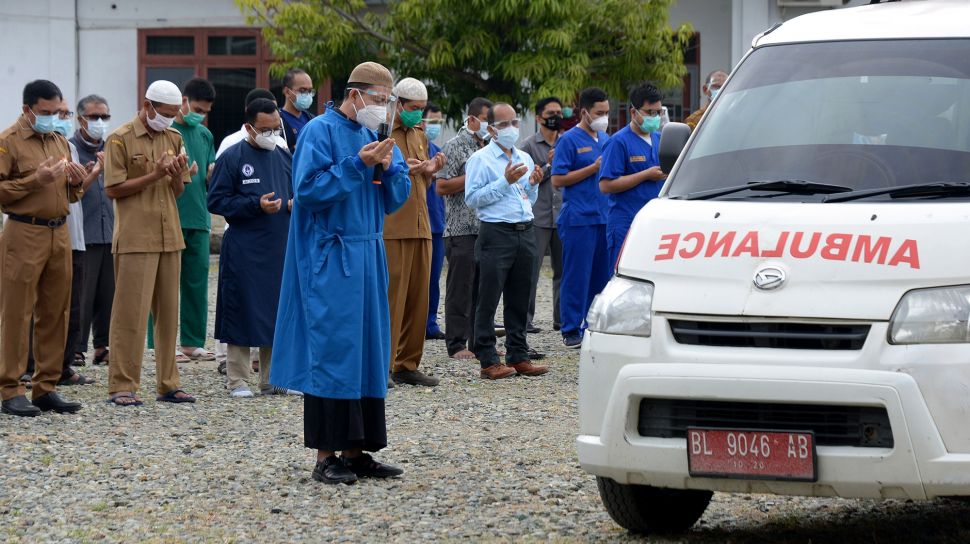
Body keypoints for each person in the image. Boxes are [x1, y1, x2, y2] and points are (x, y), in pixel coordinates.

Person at [269, 61, 408, 485]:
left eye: (389, 104)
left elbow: (395, 197)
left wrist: (386, 170)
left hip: (368, 251)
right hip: (331, 255)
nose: (384, 111)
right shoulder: (319, 131)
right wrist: (356, 166)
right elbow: (308, 191)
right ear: (355, 96)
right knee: (333, 349)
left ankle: (358, 450)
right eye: (380, 101)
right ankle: (325, 454)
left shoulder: (377, 136)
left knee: (367, 349)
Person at [103, 80, 194, 407]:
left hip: (170, 235)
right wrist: (155, 174)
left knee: (169, 315)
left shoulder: (175, 137)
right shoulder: (120, 138)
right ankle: (122, 385)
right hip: (135, 237)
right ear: (148, 106)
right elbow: (113, 189)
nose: (170, 119)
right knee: (130, 314)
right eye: (165, 113)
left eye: (174, 114)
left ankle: (168, 384)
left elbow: (178, 190)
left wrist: (173, 175)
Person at [0, 80, 85, 416]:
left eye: (57, 111)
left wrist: (76, 182)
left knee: (55, 311)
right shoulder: (9, 142)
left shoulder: (58, 140)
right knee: (17, 312)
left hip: (59, 232)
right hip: (24, 231)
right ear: (27, 109)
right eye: (46, 112)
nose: (52, 118)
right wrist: (36, 180)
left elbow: (68, 194)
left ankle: (46, 386)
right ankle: (10, 388)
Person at [207, 98, 298, 398]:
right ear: (249, 127)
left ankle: (273, 379)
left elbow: (294, 192)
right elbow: (216, 201)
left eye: (276, 129)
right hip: (244, 247)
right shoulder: (232, 157)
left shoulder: (284, 156)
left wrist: (291, 204)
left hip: (278, 246)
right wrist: (254, 205)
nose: (272, 135)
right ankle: (238, 380)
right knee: (242, 309)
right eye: (265, 130)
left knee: (275, 309)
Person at [465, 103, 549, 380]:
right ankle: (488, 359)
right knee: (487, 298)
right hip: (496, 232)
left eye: (514, 122)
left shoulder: (522, 156)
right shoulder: (481, 159)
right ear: (490, 129)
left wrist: (534, 183)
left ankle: (518, 354)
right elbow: (473, 199)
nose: (511, 129)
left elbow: (526, 199)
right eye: (503, 125)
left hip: (524, 230)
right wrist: (504, 181)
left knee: (520, 297)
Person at [385, 78, 446, 387]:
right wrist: (406, 169)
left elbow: (425, 179)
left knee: (419, 298)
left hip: (423, 222)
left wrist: (431, 168)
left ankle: (407, 363)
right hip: (393, 225)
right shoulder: (382, 132)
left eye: (422, 110)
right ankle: (382, 365)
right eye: (413, 109)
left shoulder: (420, 134)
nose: (419, 116)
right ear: (398, 104)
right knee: (392, 299)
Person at [151, 78, 217, 363]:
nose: (200, 115)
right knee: (165, 284)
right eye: (197, 108)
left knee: (196, 282)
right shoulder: (166, 131)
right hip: (169, 216)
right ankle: (159, 345)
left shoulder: (204, 135)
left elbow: (207, 173)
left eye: (205, 111)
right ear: (184, 102)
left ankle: (192, 341)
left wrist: (213, 174)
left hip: (199, 219)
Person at [551, 87, 611, 349]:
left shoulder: (606, 138)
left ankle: (593, 324)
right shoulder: (569, 140)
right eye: (600, 113)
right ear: (584, 112)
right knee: (576, 276)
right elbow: (557, 180)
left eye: (607, 112)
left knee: (601, 277)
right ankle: (571, 328)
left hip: (603, 217)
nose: (604, 117)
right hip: (578, 218)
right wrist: (592, 168)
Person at [435, 97, 492, 360]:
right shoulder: (455, 146)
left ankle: (481, 342)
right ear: (472, 120)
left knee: (484, 290)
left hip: (487, 227)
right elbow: (441, 186)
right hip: (461, 228)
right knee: (461, 288)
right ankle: (456, 344)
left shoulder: (491, 147)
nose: (490, 125)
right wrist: (473, 179)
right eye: (486, 119)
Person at [53, 101, 99, 386]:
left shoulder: (68, 148)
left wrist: (86, 178)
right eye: (56, 113)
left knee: (73, 307)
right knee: (41, 308)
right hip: (41, 234)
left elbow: (74, 194)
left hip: (74, 234)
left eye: (65, 114)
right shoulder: (16, 144)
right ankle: (29, 366)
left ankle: (63, 365)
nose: (61, 119)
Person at [600, 83, 667, 266]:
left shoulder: (660, 138)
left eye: (658, 112)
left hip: (655, 223)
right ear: (633, 112)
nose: (654, 117)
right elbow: (606, 185)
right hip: (626, 222)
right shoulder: (618, 142)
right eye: (649, 112)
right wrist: (645, 175)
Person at [71, 94, 113, 368]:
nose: (100, 123)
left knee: (108, 293)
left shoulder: (113, 148)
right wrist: (94, 172)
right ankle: (76, 348)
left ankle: (102, 345)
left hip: (109, 229)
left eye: (104, 117)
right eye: (94, 117)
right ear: (81, 119)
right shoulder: (70, 148)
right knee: (81, 295)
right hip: (82, 232)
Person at [521, 96, 564, 335]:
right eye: (551, 113)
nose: (556, 117)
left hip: (562, 214)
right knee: (531, 270)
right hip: (538, 216)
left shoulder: (567, 142)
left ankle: (562, 318)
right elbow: (526, 179)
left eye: (559, 112)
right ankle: (526, 319)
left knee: (563, 270)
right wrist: (548, 166)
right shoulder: (528, 146)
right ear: (539, 118)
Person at [422, 102, 447, 341]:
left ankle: (430, 322)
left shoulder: (438, 150)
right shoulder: (413, 148)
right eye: (432, 121)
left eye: (439, 122)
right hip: (418, 223)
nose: (435, 126)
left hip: (437, 222)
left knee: (433, 278)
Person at [216, 89, 287, 158]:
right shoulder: (230, 143)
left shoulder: (281, 143)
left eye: (275, 108)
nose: (272, 112)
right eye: (265, 130)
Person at [279, 69, 315, 153]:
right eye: (302, 90)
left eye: (310, 91)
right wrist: (297, 148)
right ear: (287, 92)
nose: (307, 95)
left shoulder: (312, 119)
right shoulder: (277, 121)